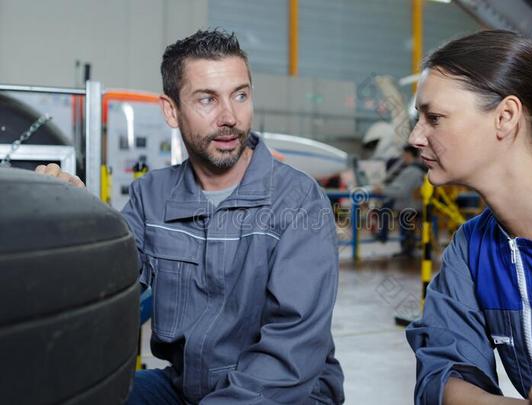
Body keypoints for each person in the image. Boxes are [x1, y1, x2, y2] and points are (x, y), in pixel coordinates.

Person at [36, 29, 344, 404]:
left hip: (286, 393)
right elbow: (107, 276)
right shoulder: (153, 195)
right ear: (171, 110)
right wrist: (76, 218)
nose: (229, 117)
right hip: (188, 389)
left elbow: (291, 355)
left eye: (240, 95)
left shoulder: (298, 201)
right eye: (207, 100)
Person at [405, 30, 532, 405]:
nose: (417, 137)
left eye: (434, 118)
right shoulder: (469, 251)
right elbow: (442, 378)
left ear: (506, 116)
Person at [374, 145, 426, 256]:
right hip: (417, 204)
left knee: (386, 205)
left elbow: (401, 192)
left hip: (409, 205)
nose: (402, 158)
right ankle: (406, 248)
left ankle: (384, 235)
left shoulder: (411, 171)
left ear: (408, 155)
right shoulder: (420, 170)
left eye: (404, 155)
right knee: (389, 205)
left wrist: (382, 191)